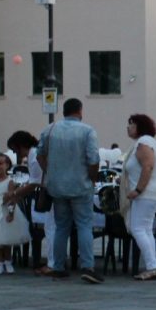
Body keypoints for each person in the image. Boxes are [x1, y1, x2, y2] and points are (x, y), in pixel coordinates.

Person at [37, 98, 103, 283]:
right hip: (81, 185)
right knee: (84, 226)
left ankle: (58, 266)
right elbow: (93, 159)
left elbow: (39, 153)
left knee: (61, 227)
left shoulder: (50, 129)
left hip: (57, 187)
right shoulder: (87, 131)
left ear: (64, 111)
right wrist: (91, 177)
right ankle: (87, 267)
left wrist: (49, 170)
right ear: (80, 111)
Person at [123, 113, 156, 280]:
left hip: (146, 194)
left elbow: (147, 167)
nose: (128, 128)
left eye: (132, 125)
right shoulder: (144, 143)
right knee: (146, 229)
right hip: (151, 193)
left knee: (138, 229)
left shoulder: (144, 143)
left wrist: (138, 190)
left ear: (140, 127)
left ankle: (153, 266)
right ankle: (152, 266)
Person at [4, 130, 52, 267]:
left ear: (20, 146)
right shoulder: (32, 155)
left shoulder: (34, 156)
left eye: (14, 149)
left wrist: (14, 194)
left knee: (50, 228)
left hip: (48, 194)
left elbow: (35, 183)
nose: (14, 153)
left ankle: (53, 262)